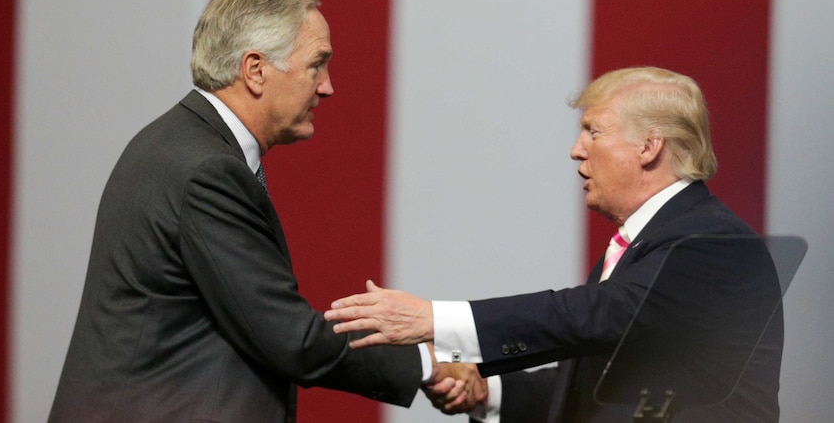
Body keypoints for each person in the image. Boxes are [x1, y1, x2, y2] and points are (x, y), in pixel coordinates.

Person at [49, 0, 441, 422]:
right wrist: (431, 364)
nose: (327, 87)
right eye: (317, 65)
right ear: (255, 69)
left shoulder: (171, 143)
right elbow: (291, 338)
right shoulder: (207, 171)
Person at [325, 66, 784, 422]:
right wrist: (487, 389)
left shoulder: (712, 242)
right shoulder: (647, 240)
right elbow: (601, 389)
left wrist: (435, 319)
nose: (576, 150)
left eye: (593, 131)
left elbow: (591, 315)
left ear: (649, 146)